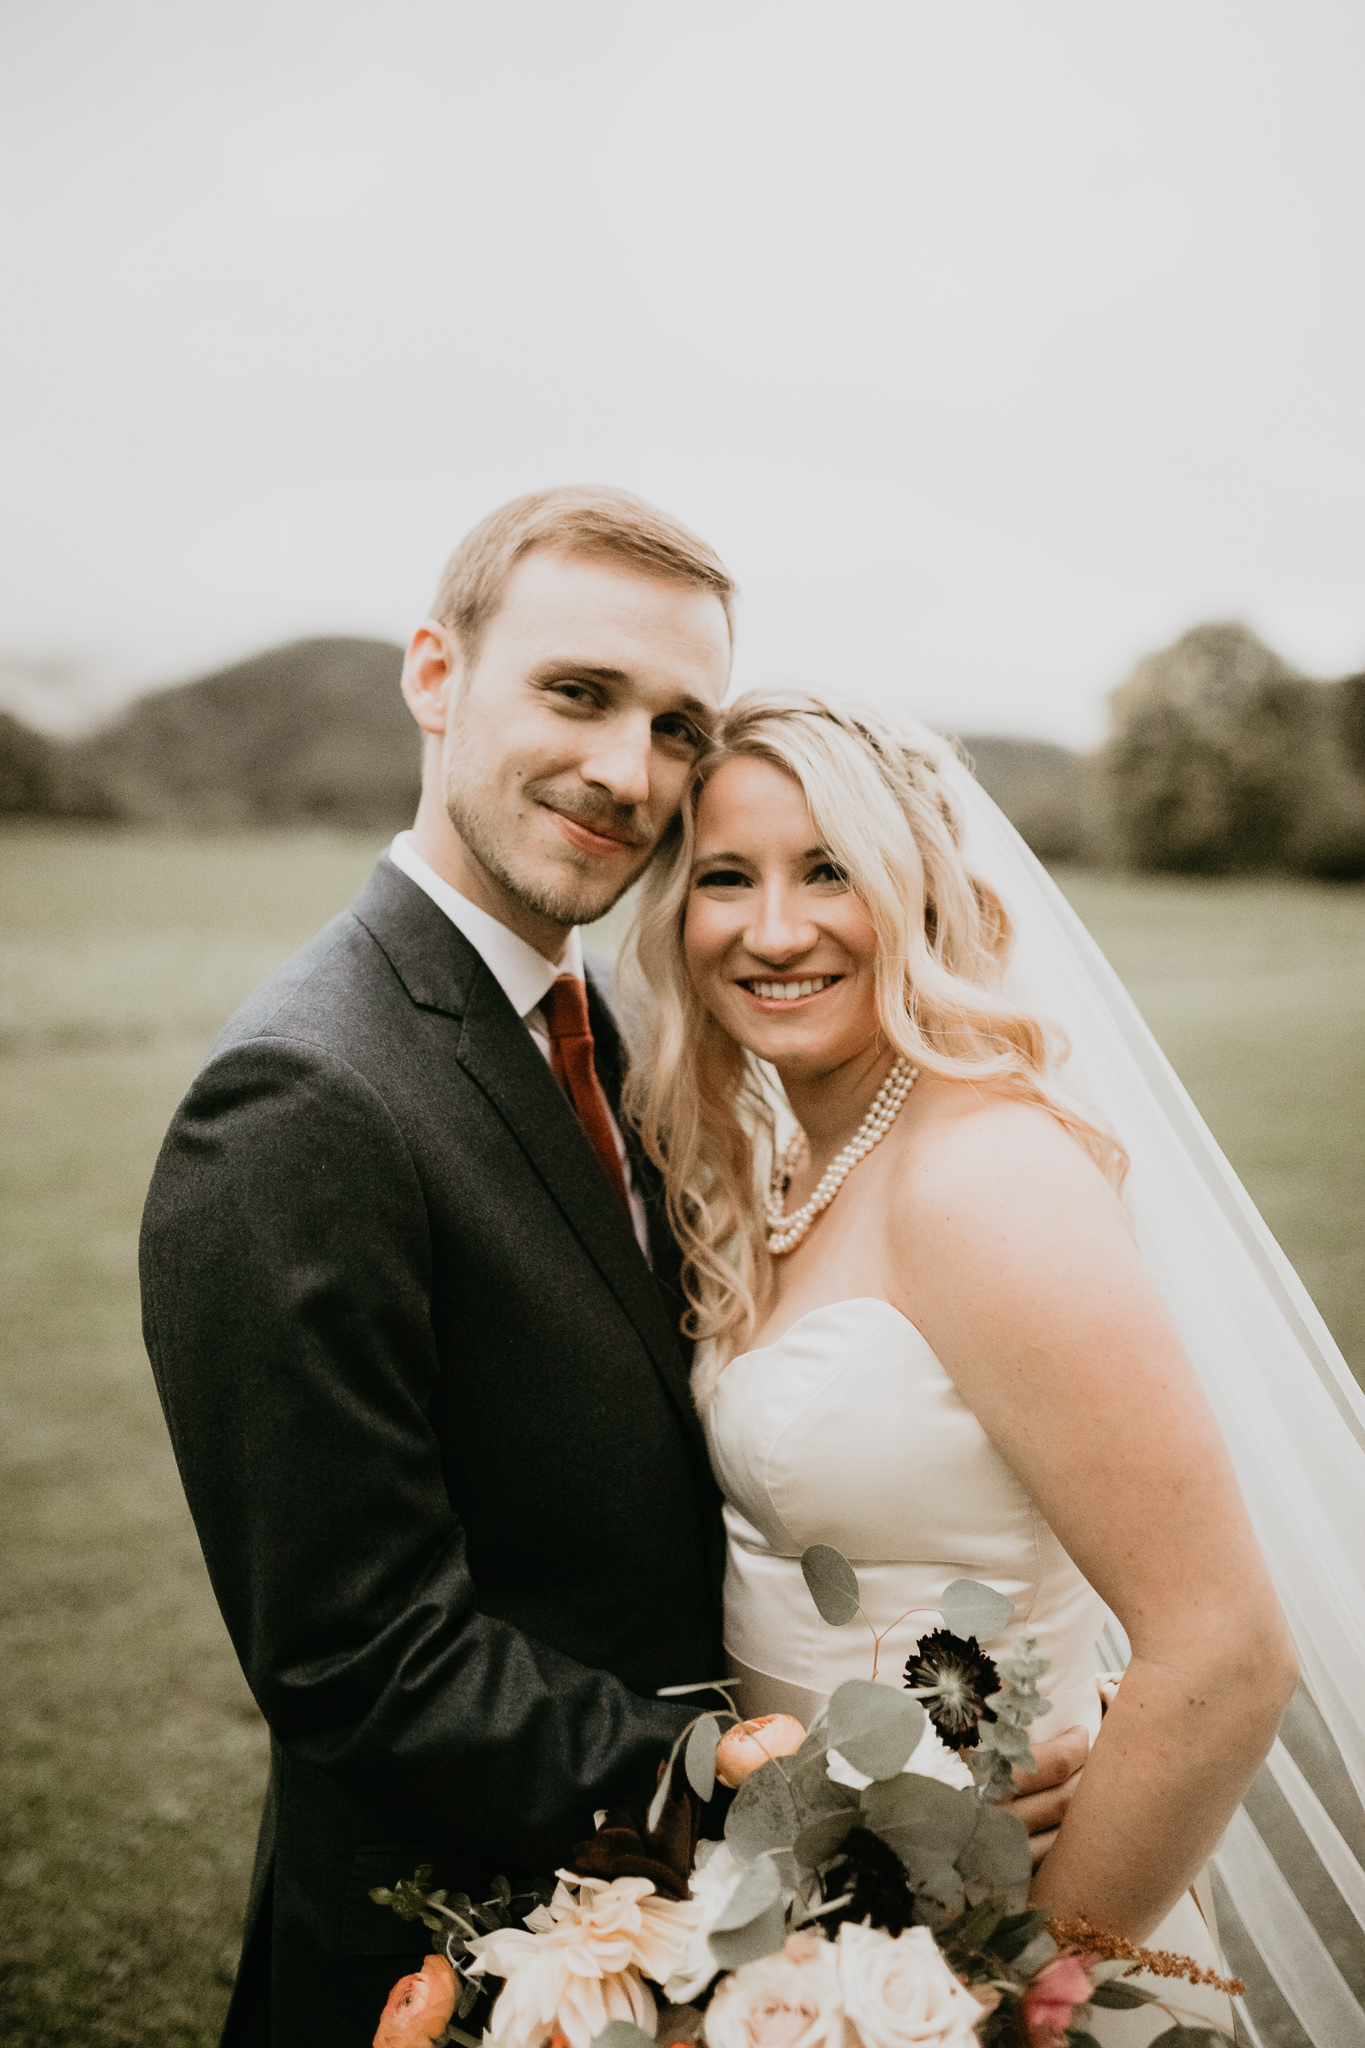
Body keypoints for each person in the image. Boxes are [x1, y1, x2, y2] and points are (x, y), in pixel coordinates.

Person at [139, 492, 1089, 2048]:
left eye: (674, 727)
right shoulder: (303, 1099)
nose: (626, 772)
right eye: (576, 693)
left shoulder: (647, 1040)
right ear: (434, 675)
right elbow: (356, 1659)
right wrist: (775, 1784)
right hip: (463, 1954)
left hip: (719, 1940)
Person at [620, 690, 1312, 2042]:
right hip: (817, 1916)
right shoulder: (781, 1169)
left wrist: (1002, 1995)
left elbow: (1226, 1655)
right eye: (726, 877)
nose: (775, 930)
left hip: (1003, 1942)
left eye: (830, 870)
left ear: (923, 892)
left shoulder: (981, 1179)